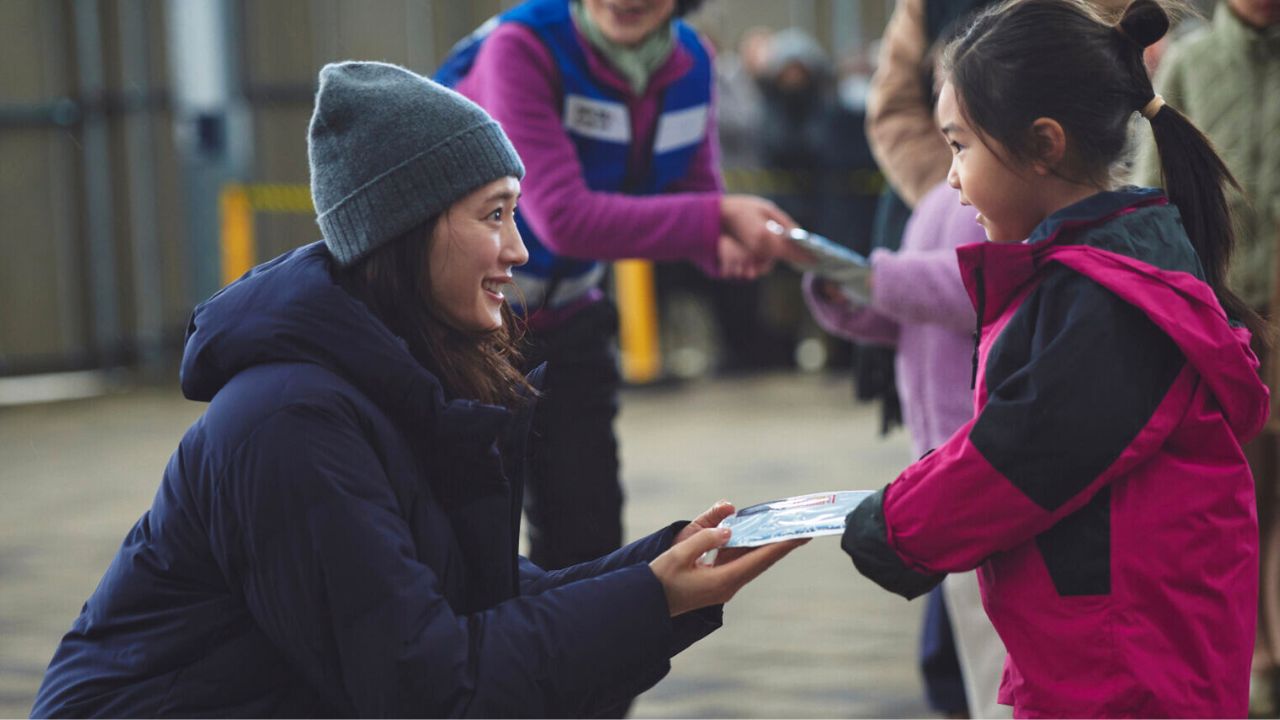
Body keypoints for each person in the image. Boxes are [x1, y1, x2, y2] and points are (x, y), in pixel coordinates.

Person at [29, 62, 805, 718]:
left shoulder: (396, 379)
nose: (517, 248)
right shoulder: (288, 422)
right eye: (493, 214)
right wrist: (647, 602)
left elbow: (470, 592)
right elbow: (422, 685)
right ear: (404, 230)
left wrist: (661, 566)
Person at [840, 0, 1271, 716]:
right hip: (1109, 650)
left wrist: (893, 524)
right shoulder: (1107, 268)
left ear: (1044, 144)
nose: (950, 178)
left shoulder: (1112, 303)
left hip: (1125, 668)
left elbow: (1020, 452)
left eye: (960, 147)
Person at [435, 0, 799, 573]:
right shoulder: (522, 48)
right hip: (466, 332)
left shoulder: (690, 61)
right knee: (468, 544)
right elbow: (561, 217)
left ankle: (578, 659)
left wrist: (722, 245)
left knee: (590, 538)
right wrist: (715, 220)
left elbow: (695, 189)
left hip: (571, 317)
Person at [1130, 1, 1280, 711]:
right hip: (1227, 321)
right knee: (1238, 497)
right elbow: (1150, 194)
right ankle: (1247, 659)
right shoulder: (1190, 63)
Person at [802, 181, 997, 718]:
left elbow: (980, 287)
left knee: (1000, 664)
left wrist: (876, 278)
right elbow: (910, 313)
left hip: (994, 465)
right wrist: (846, 292)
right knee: (977, 665)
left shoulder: (1012, 193)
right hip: (941, 460)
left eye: (961, 141)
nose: (956, 171)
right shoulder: (941, 196)